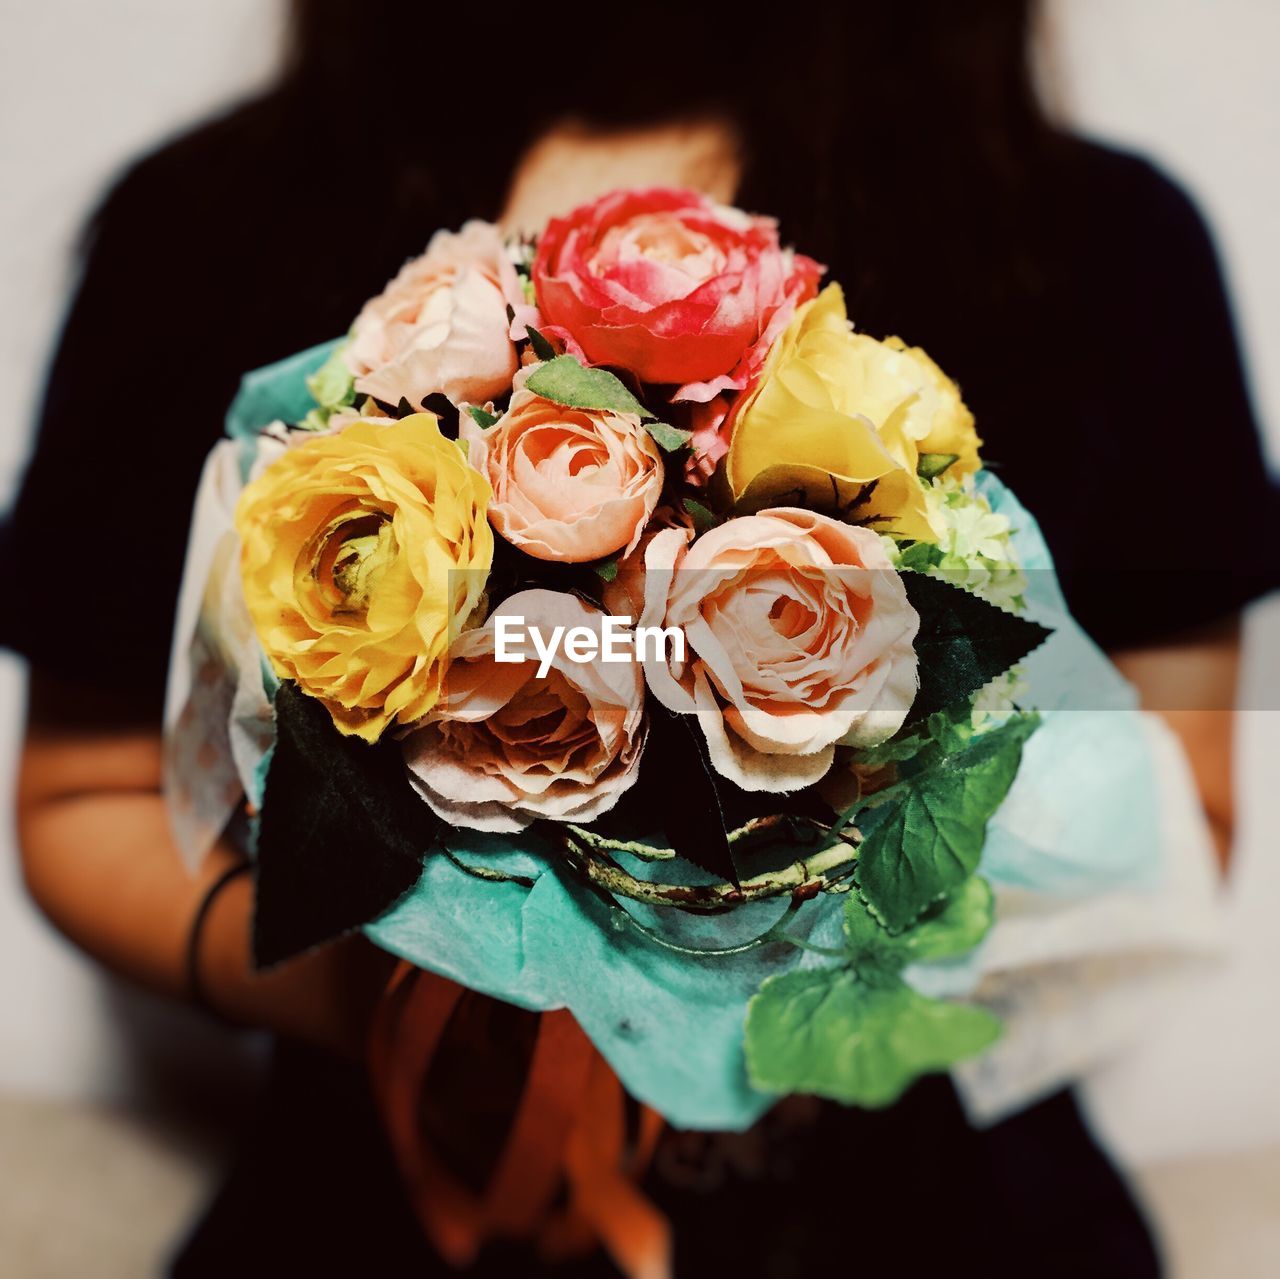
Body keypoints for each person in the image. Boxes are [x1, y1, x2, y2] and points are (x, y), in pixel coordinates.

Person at [6, 1, 1276, 1273]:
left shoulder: (1104, 247)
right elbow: (85, 793)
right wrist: (398, 991)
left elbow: (1181, 812)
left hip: (940, 1217)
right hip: (374, 1210)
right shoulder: (203, 226)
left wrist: (779, 948)